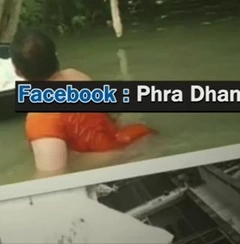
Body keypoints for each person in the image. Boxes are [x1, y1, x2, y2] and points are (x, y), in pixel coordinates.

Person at [11, 28, 156, 177]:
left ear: (18, 72)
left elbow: (52, 177)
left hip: (111, 165)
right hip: (130, 141)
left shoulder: (40, 117)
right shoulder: (75, 75)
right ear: (56, 56)